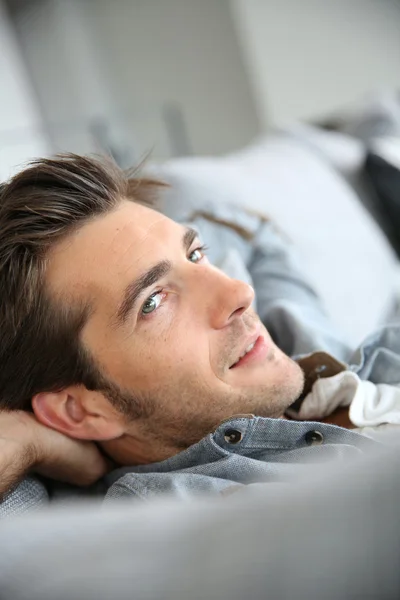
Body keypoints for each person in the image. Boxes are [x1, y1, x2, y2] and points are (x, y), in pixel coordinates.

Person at [0, 154, 399, 516]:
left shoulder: (336, 357)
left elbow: (245, 230)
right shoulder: (190, 522)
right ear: (79, 410)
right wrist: (34, 443)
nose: (240, 293)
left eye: (195, 254)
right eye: (153, 302)